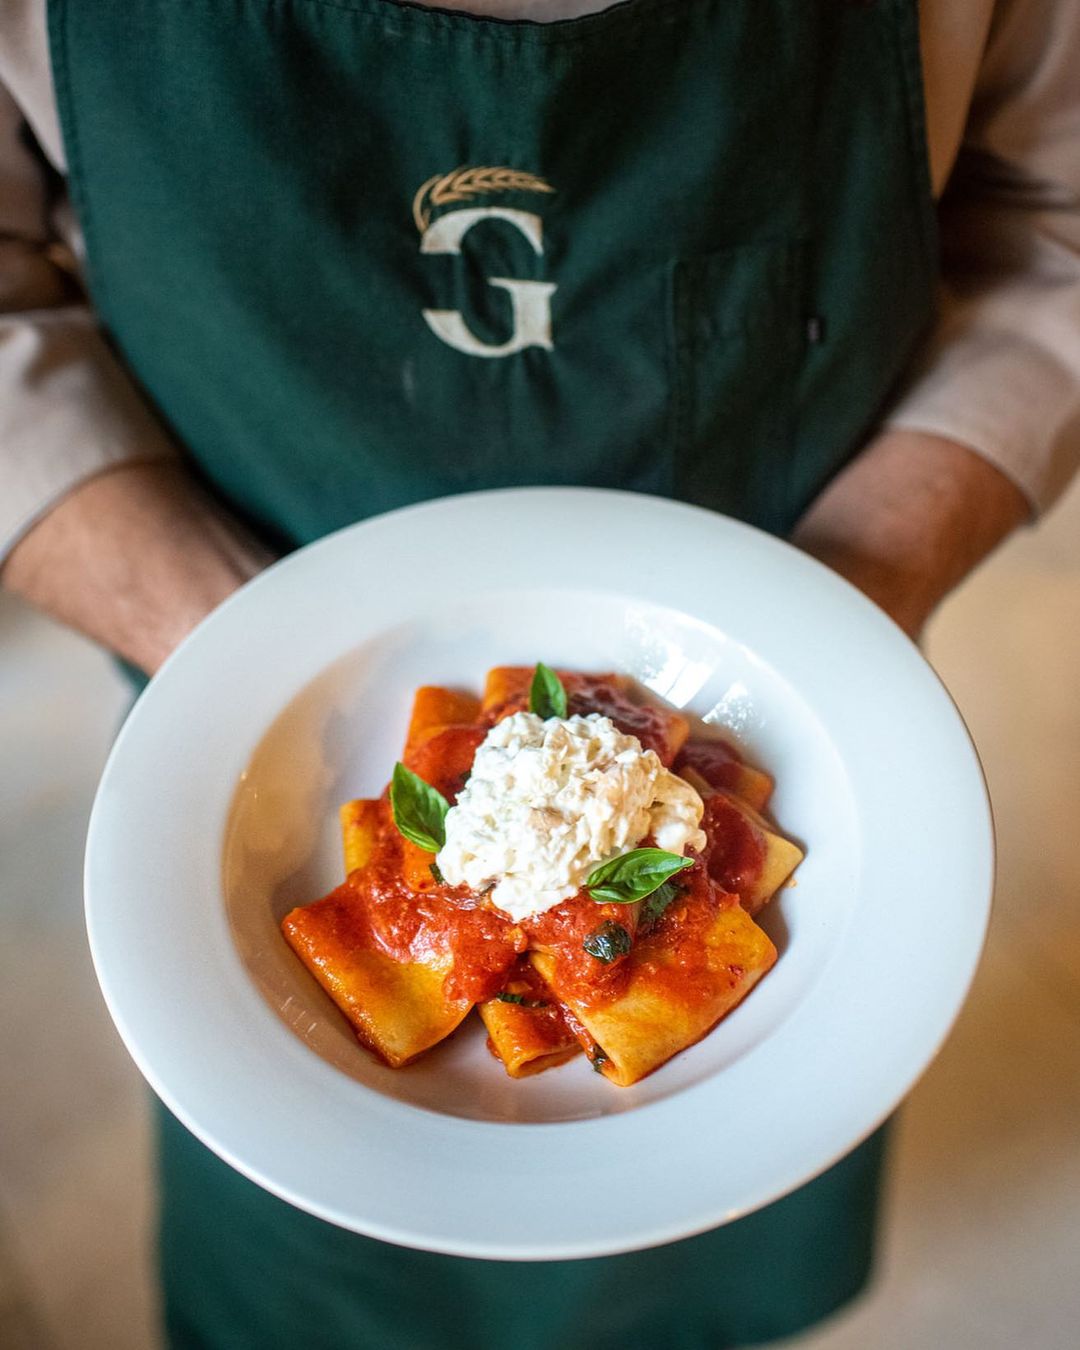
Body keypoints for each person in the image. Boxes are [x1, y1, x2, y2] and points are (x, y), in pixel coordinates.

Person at [2, 1, 1077, 1346]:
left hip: (797, 645)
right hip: (232, 645)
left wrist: (847, 602)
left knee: (712, 1244)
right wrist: (233, 650)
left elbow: (1057, 227)